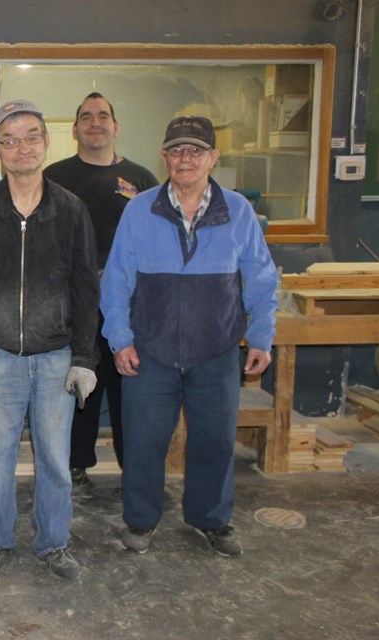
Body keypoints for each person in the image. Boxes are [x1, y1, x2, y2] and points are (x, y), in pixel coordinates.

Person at [100, 116, 278, 557]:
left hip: (215, 350)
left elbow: (259, 276)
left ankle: (211, 520)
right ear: (164, 157)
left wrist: (261, 336)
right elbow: (117, 278)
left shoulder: (238, 211)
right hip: (150, 351)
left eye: (196, 150)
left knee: (215, 441)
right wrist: (120, 337)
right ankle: (140, 521)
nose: (185, 159)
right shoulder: (139, 209)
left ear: (213, 157)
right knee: (143, 443)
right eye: (177, 150)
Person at [0, 100, 100, 580]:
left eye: (31, 136)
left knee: (55, 457)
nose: (22, 148)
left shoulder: (71, 210)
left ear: (47, 142)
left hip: (56, 358)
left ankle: (54, 543)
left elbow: (85, 288)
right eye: (9, 140)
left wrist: (84, 357)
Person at [43, 92, 158, 487]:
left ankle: (133, 466)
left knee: (130, 388)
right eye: (87, 117)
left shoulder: (142, 181)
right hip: (73, 302)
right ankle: (76, 463)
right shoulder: (53, 177)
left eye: (103, 116)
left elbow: (157, 241)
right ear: (74, 129)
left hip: (130, 304)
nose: (95, 123)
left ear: (115, 126)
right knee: (79, 383)